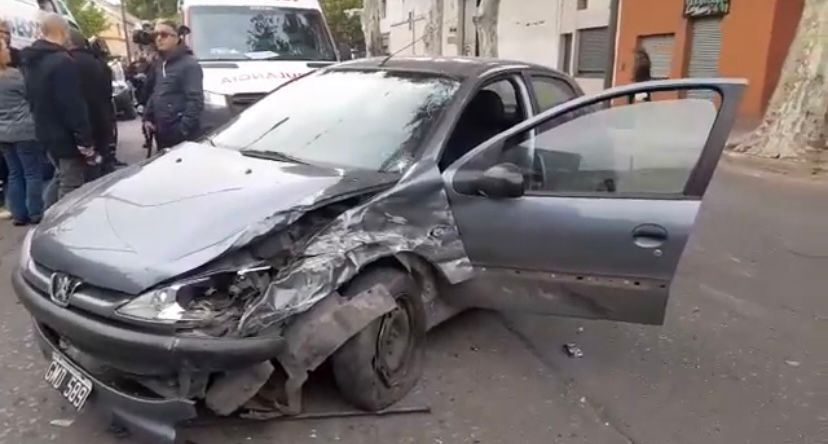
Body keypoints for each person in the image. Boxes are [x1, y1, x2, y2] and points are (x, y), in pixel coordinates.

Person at [21, 13, 94, 205]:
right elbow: (72, 104)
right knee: (71, 187)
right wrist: (84, 138)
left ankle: (46, 214)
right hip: (65, 136)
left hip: (45, 132)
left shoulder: (32, 61)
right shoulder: (62, 61)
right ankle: (62, 222)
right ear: (63, 31)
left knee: (60, 177)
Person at [0, 39, 45, 225]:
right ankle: (35, 212)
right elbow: (31, 95)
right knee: (32, 172)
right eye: (4, 48)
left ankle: (18, 214)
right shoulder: (15, 75)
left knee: (14, 173)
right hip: (24, 129)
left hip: (3, 133)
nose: (8, 50)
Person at [143, 19, 204, 150]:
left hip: (182, 137)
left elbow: (196, 101)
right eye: (155, 35)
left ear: (177, 38)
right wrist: (148, 117)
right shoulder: (160, 63)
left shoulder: (189, 64)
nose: (158, 38)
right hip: (162, 134)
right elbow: (157, 92)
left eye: (164, 35)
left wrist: (183, 129)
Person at [67, 29, 111, 180]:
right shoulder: (98, 63)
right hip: (100, 118)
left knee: (77, 174)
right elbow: (107, 92)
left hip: (80, 125)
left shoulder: (67, 63)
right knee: (97, 166)